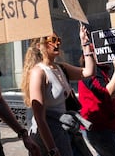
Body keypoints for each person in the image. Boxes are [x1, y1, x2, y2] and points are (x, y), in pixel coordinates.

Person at [20, 24, 95, 156]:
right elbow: (39, 118)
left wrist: (85, 43)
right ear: (40, 46)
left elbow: (88, 72)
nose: (57, 44)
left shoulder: (61, 68)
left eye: (58, 40)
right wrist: (52, 149)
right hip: (46, 139)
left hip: (64, 133)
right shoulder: (39, 72)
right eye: (52, 40)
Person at [78, 54, 115, 156]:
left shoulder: (101, 71)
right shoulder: (91, 73)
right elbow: (108, 93)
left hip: (104, 127)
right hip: (99, 129)